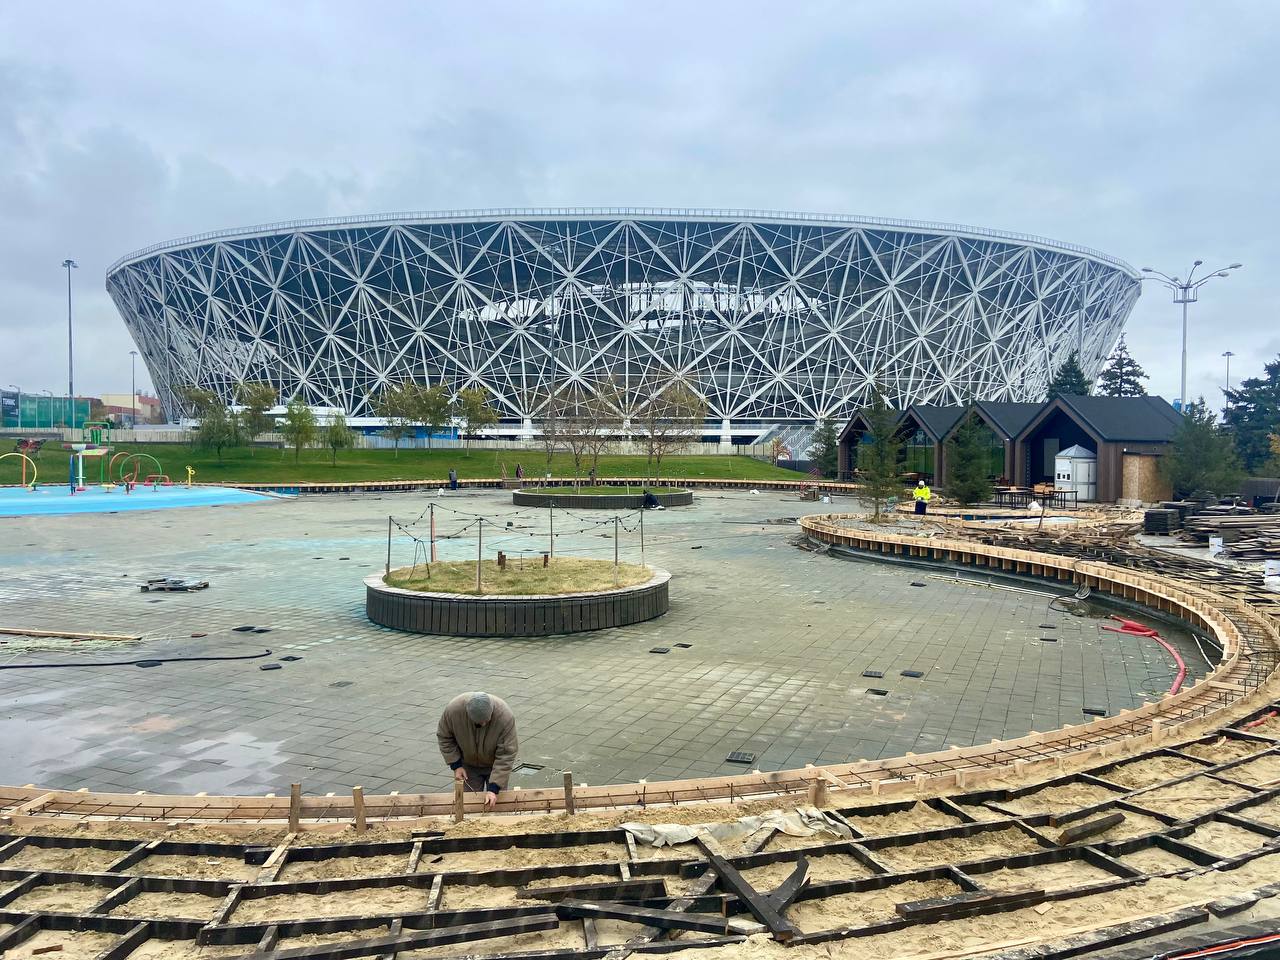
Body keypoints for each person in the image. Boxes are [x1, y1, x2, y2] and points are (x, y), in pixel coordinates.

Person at [437, 692, 518, 810]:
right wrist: (456, 765)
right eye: (479, 723)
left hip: (495, 766)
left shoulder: (504, 717)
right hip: (468, 767)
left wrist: (494, 788)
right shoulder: (453, 711)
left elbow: (507, 754)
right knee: (469, 806)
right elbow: (444, 737)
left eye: (487, 721)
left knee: (497, 805)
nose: (484, 724)